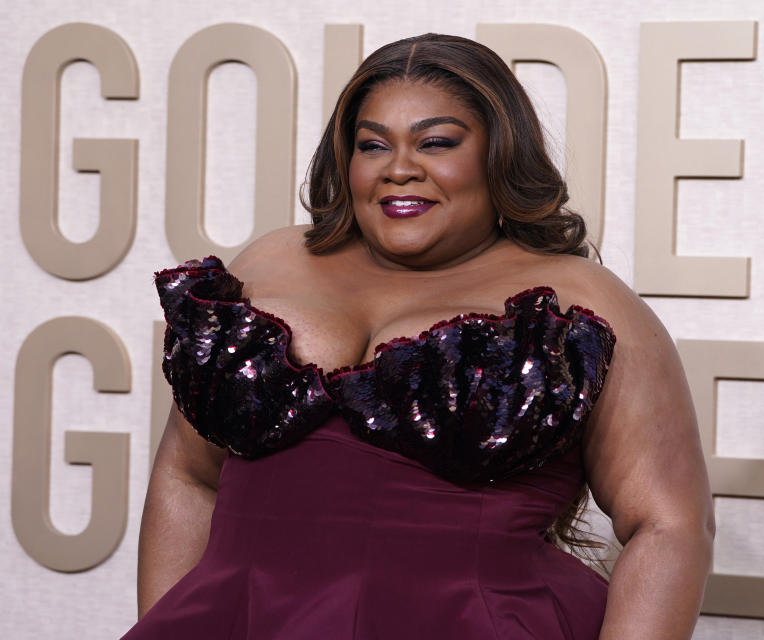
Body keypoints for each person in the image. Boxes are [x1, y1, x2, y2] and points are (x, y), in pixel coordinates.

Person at [124, 33, 713, 639]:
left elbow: (667, 526)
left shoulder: (583, 303)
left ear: (498, 154)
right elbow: (188, 476)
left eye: (435, 142)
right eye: (372, 145)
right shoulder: (268, 262)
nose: (399, 169)